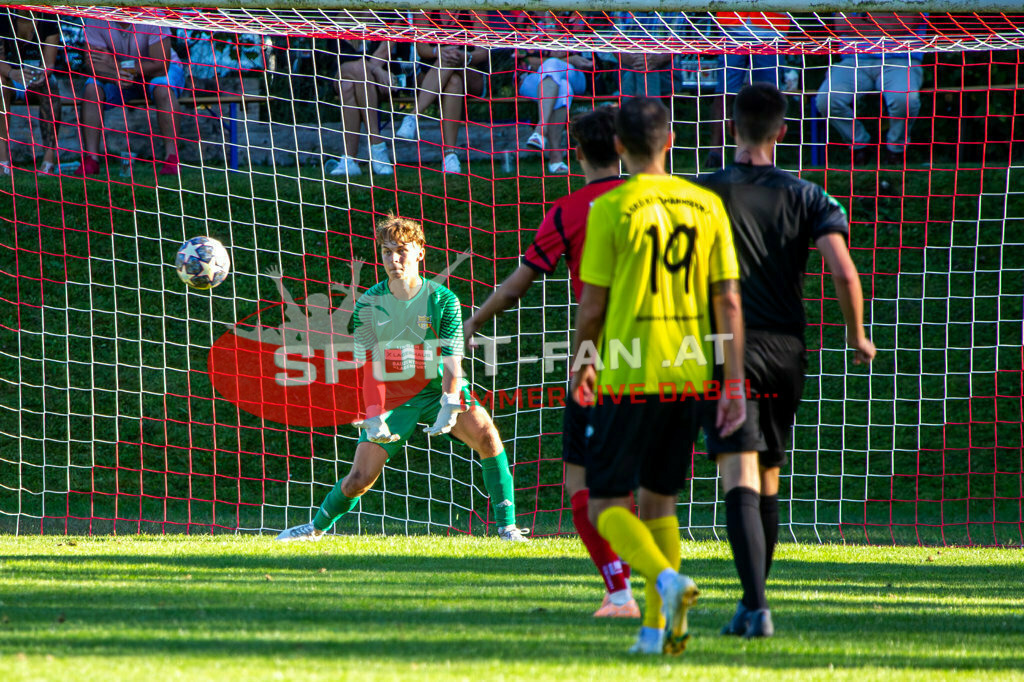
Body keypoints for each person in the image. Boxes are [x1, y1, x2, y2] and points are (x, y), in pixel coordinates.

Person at [698, 83, 877, 638]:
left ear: (732, 128)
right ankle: (753, 603)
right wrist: (857, 335)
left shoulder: (700, 193)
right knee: (768, 476)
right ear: (782, 132)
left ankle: (756, 608)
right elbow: (844, 272)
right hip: (787, 350)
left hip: (728, 347)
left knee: (738, 473)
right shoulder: (809, 195)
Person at [570, 97, 747, 655]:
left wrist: (583, 362)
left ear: (618, 147)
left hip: (627, 373)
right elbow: (729, 302)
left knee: (604, 506)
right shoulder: (706, 204)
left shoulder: (612, 209)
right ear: (670, 139)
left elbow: (592, 308)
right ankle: (659, 632)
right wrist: (734, 382)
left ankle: (668, 583)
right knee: (660, 503)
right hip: (690, 373)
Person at [463, 107, 637, 617]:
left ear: (576, 152)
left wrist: (473, 322)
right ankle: (660, 579)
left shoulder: (567, 211)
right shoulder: (656, 201)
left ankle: (621, 591)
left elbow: (519, 285)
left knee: (581, 481)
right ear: (623, 148)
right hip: (672, 353)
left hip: (602, 355)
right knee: (650, 482)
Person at [277, 214, 528, 543]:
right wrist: (373, 413)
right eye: (386, 251)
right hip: (395, 397)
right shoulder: (368, 303)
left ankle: (507, 527)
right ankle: (315, 528)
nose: (394, 259)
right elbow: (373, 366)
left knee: (488, 437)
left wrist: (451, 403)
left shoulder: (443, 300)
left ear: (420, 253)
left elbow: (452, 358)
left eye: (402, 250)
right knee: (359, 478)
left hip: (439, 388)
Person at [74, 18, 186, 176]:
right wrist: (116, 77)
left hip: (156, 73)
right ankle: (91, 160)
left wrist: (115, 65)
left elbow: (160, 66)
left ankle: (172, 158)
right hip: (119, 76)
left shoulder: (153, 15)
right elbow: (92, 64)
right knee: (92, 87)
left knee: (162, 87)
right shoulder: (95, 16)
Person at [814, 12, 928, 166]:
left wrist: (862, 20)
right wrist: (886, 23)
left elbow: (905, 23)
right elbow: (842, 25)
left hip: (901, 59)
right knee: (827, 99)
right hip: (853, 59)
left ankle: (895, 150)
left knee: (904, 99)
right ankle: (860, 146)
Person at [394, 12, 489, 175]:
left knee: (449, 63)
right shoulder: (425, 8)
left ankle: (413, 116)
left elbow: (484, 51)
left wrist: (464, 56)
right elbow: (422, 49)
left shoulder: (476, 9)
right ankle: (450, 156)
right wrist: (439, 52)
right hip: (433, 75)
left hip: (470, 74)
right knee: (453, 82)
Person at [707, 11, 792, 168]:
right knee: (724, 93)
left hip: (771, 28)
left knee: (770, 98)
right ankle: (715, 153)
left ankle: (768, 155)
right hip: (731, 25)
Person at [517, 12, 593, 174]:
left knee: (552, 66)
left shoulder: (579, 16)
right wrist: (569, 59)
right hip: (533, 78)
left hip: (575, 75)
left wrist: (568, 62)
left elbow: (588, 60)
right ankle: (555, 157)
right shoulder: (528, 17)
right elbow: (528, 61)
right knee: (563, 87)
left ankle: (540, 130)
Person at [313, 38, 394, 177]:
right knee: (356, 70)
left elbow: (382, 54)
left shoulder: (387, 19)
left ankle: (350, 159)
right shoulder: (338, 23)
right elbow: (343, 61)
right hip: (348, 72)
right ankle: (377, 146)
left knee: (348, 84)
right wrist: (372, 68)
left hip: (383, 78)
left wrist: (373, 68)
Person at [0, 9, 66, 175]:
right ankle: (3, 162)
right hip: (9, 75)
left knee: (51, 86)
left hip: (36, 77)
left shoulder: (49, 16)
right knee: (0, 85)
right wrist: (13, 73)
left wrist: (40, 74)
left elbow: (49, 64)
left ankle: (48, 162)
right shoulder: (3, 15)